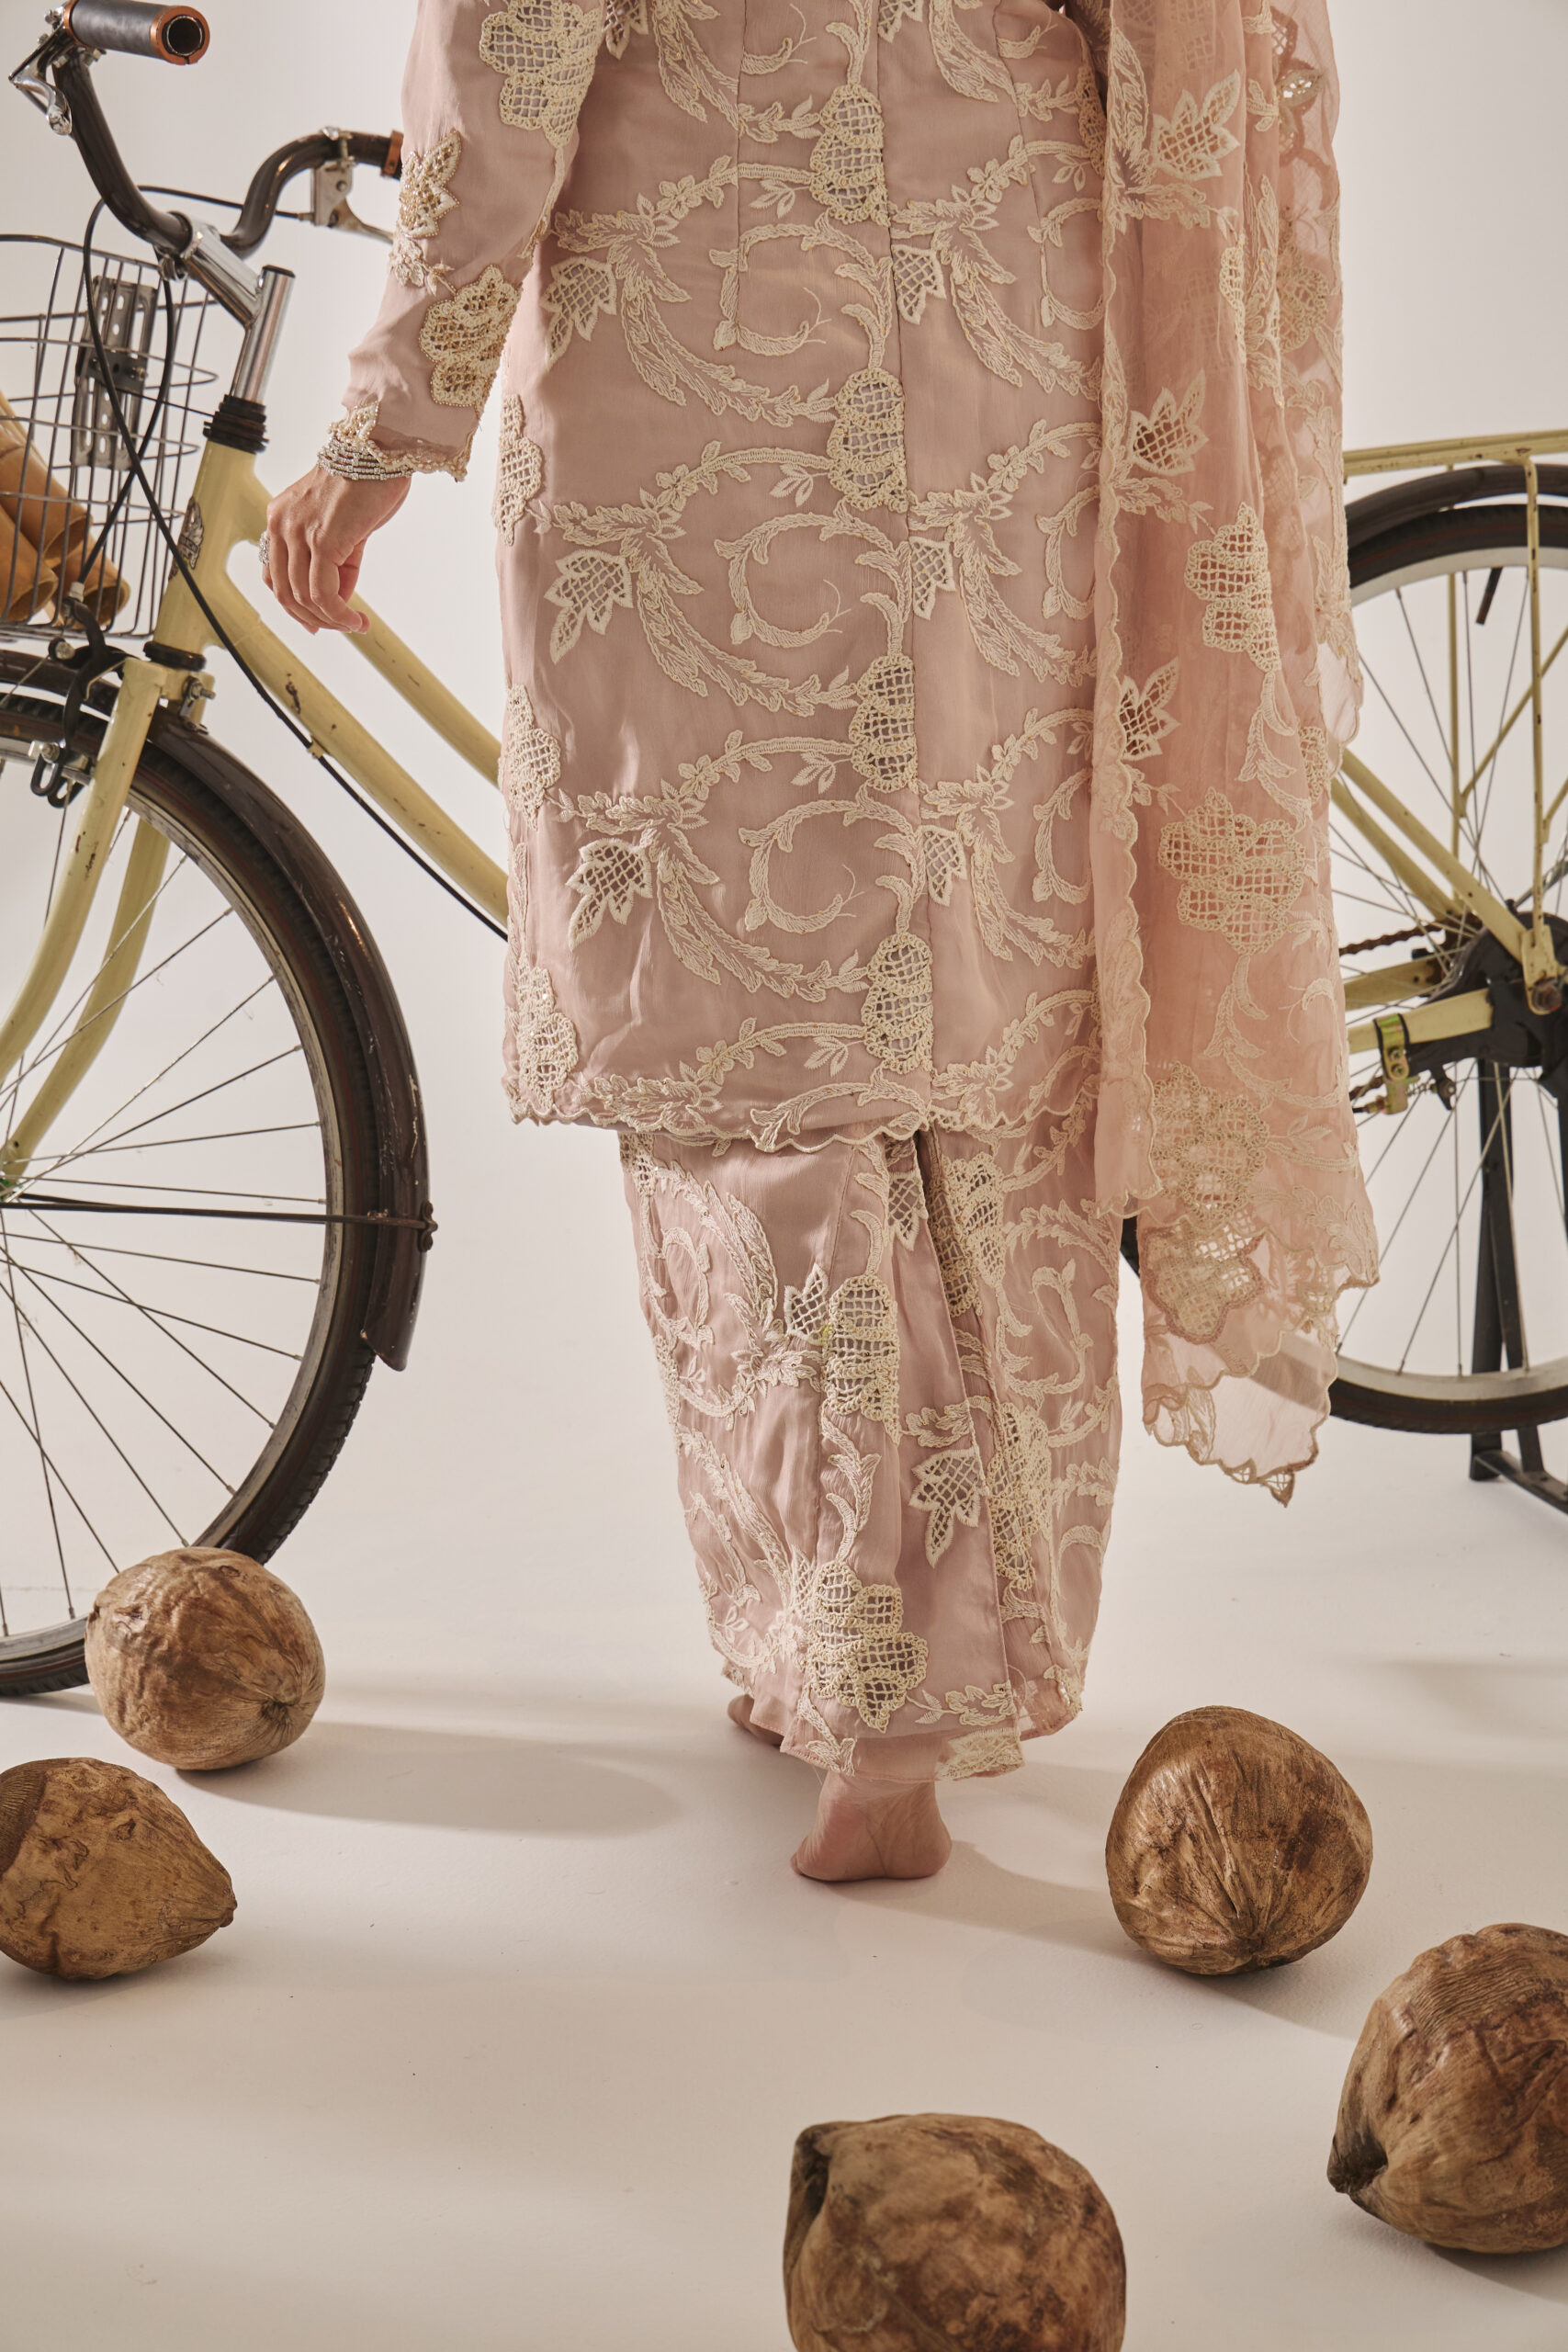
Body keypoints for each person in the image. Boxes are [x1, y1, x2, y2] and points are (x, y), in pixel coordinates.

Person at [263, 0, 1374, 1883]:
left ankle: (877, 1700)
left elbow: (511, 43)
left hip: (718, 330)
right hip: (1010, 304)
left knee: (758, 1021)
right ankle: (911, 1669)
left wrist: (386, 424)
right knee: (984, 1014)